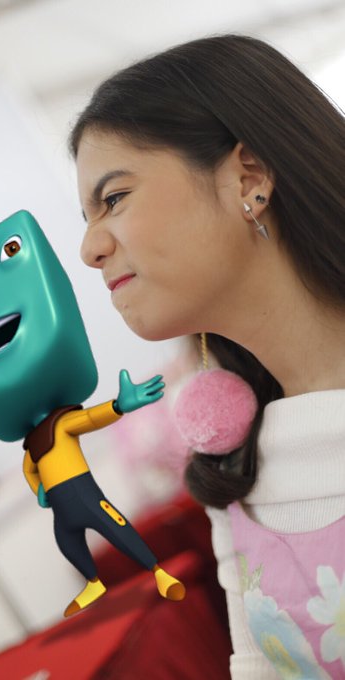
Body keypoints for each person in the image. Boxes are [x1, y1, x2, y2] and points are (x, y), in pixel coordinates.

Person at [68, 34, 345, 679]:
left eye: (114, 199)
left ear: (248, 177)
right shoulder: (232, 470)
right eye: (86, 216)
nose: (89, 248)